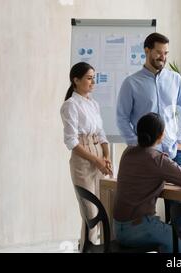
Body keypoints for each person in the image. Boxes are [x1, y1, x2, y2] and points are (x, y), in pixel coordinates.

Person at [113, 113, 181, 253]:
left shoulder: (127, 152)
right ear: (160, 135)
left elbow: (143, 175)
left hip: (118, 228)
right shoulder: (157, 160)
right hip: (139, 229)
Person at [116, 32, 181, 168]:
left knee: (180, 189)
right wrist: (136, 143)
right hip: (144, 154)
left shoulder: (175, 79)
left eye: (166, 53)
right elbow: (121, 117)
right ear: (147, 51)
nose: (163, 57)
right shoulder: (131, 83)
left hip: (174, 154)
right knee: (146, 190)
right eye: (159, 52)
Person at [60, 62, 113, 251]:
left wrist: (106, 156)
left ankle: (90, 248)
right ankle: (88, 248)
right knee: (91, 212)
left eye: (94, 78)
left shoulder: (93, 104)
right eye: (89, 78)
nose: (93, 83)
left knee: (104, 210)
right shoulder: (70, 105)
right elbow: (72, 142)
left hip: (98, 153)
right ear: (76, 80)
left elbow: (101, 134)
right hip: (83, 160)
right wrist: (97, 160)